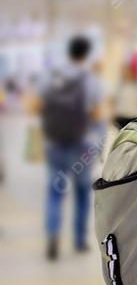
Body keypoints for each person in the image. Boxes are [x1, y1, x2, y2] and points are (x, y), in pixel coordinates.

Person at [34, 35, 103, 260]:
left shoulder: (51, 76)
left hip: (55, 143)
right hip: (81, 144)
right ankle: (79, 240)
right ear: (85, 54)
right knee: (82, 193)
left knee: (54, 191)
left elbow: (35, 105)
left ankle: (53, 235)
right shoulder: (89, 79)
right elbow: (95, 113)